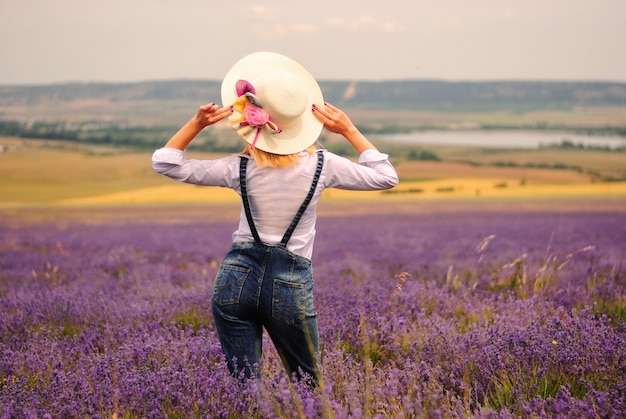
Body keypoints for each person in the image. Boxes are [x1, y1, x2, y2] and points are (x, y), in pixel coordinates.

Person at [152, 52, 398, 386]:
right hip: (289, 284)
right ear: (301, 122)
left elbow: (166, 163)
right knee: (308, 384)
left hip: (234, 279)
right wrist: (348, 129)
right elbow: (386, 177)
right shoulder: (323, 165)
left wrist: (197, 123)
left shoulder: (238, 167)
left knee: (244, 386)